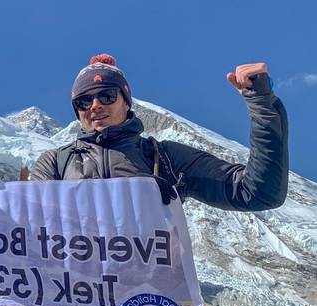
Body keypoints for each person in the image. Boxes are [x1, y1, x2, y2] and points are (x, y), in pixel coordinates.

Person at [31, 54, 288, 211]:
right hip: (76, 297)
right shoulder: (55, 163)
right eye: (84, 102)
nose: (95, 106)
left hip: (151, 299)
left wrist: (262, 104)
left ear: (126, 102)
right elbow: (24, 221)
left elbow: (257, 193)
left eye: (107, 95)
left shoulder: (163, 157)